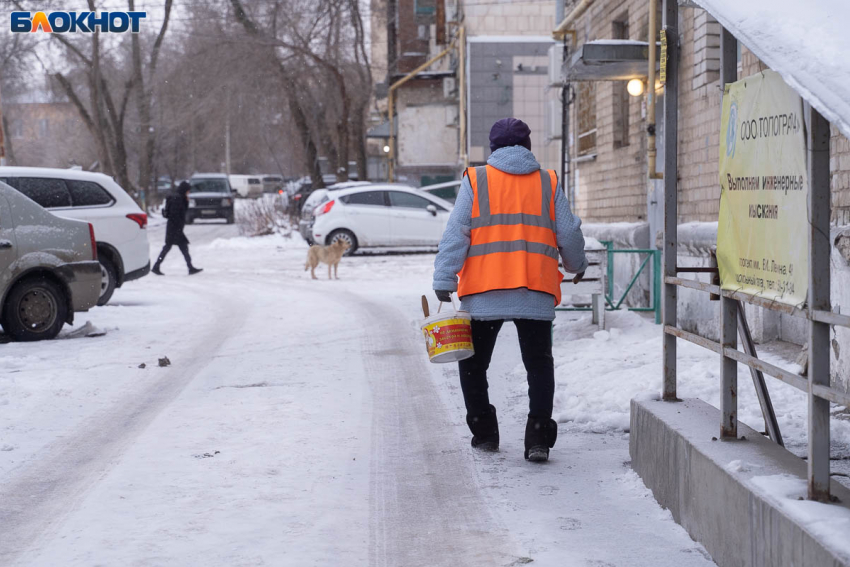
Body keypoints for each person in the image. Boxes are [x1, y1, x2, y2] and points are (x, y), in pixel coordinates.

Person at [433, 117, 588, 462]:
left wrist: (445, 278)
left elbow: (457, 231)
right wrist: (576, 264)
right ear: (527, 146)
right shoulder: (547, 181)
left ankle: (485, 432)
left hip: (483, 293)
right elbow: (568, 232)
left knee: (473, 365)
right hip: (535, 290)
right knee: (538, 365)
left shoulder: (477, 180)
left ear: (493, 148)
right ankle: (538, 439)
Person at [152, 181, 202, 276]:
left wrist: (186, 201)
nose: (189, 193)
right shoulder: (177, 199)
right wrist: (178, 227)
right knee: (175, 247)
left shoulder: (180, 198)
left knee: (174, 247)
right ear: (184, 190)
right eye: (188, 191)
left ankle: (157, 266)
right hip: (174, 228)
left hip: (174, 228)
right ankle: (189, 267)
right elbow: (175, 214)